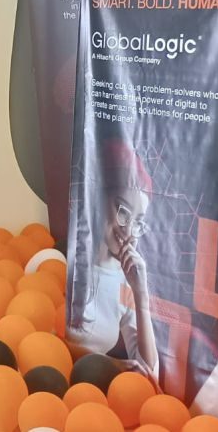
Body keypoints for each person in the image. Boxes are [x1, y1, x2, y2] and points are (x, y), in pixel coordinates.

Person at [67, 139, 159, 379]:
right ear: (97, 199)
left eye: (138, 221)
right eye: (123, 211)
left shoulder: (125, 283)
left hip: (94, 389)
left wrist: (141, 296)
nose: (128, 230)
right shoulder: (66, 261)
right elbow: (46, 340)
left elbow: (148, 371)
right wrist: (110, 365)